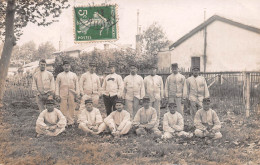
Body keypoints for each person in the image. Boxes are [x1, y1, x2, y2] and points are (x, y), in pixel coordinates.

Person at [55, 60, 80, 127]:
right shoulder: (59, 75)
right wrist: (57, 94)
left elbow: (77, 85)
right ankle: (64, 122)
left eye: (68, 66)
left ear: (70, 66)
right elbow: (57, 85)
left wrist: (77, 94)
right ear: (63, 67)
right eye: (65, 66)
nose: (66, 67)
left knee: (72, 107)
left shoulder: (73, 75)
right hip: (62, 93)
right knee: (63, 108)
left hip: (72, 93)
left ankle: (71, 122)